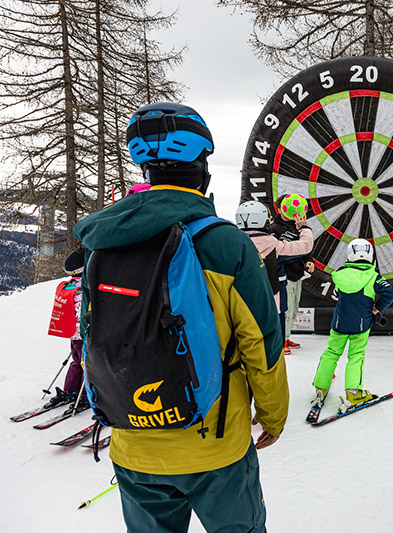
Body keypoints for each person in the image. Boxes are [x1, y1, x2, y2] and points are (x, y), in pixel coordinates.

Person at [73, 102, 289, 533]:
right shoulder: (226, 244)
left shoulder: (103, 243)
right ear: (202, 168)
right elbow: (261, 344)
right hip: (216, 447)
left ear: (145, 170)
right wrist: (272, 415)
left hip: (132, 444)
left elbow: (96, 335)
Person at [311, 238, 393, 412]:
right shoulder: (373, 277)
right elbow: (389, 294)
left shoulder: (340, 275)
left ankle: (320, 388)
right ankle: (353, 393)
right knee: (356, 356)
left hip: (339, 323)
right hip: (361, 325)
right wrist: (377, 309)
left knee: (331, 353)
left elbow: (337, 293)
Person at [235, 199, 313, 311]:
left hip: (240, 306)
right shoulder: (273, 245)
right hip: (272, 305)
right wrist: (304, 228)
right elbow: (305, 246)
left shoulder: (230, 244)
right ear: (265, 221)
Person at [270, 193, 315, 354]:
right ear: (282, 207)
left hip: (298, 273)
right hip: (284, 276)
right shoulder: (274, 228)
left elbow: (304, 249)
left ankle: (287, 336)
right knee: (285, 309)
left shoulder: (297, 226)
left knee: (295, 307)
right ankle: (281, 341)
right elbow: (274, 252)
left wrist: (309, 261)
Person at [44, 247, 87, 409]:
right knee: (88, 363)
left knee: (77, 361)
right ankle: (85, 395)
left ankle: (70, 390)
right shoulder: (84, 290)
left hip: (72, 333)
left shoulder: (67, 287)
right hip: (85, 333)